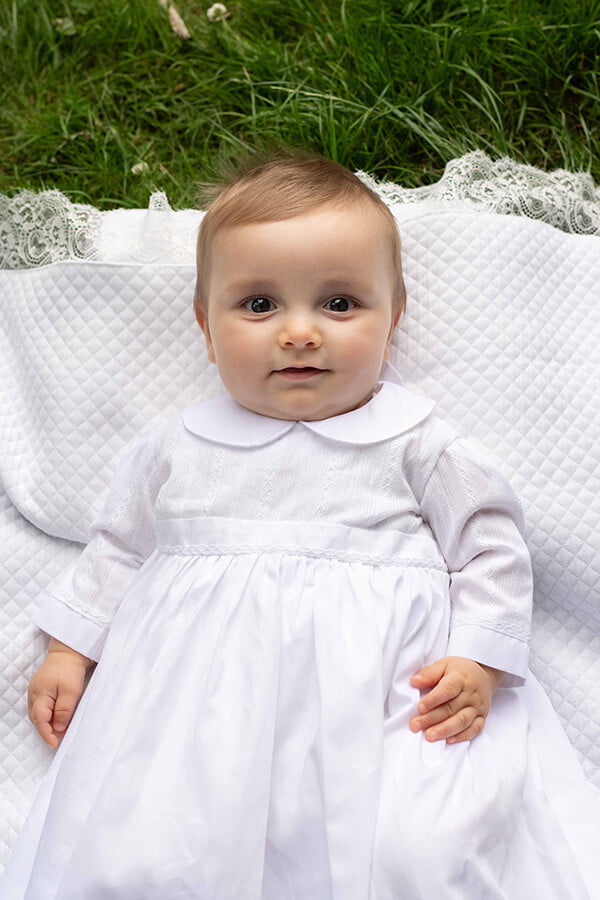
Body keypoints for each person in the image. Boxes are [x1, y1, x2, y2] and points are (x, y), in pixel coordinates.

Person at [2, 153, 598, 899]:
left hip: (378, 696)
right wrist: (70, 649)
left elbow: (490, 547)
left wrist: (478, 659)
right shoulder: (179, 444)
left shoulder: (416, 441)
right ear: (204, 325)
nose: (300, 333)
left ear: (395, 318)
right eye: (258, 306)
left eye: (341, 304)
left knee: (418, 840)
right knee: (155, 843)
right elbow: (119, 545)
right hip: (203, 700)